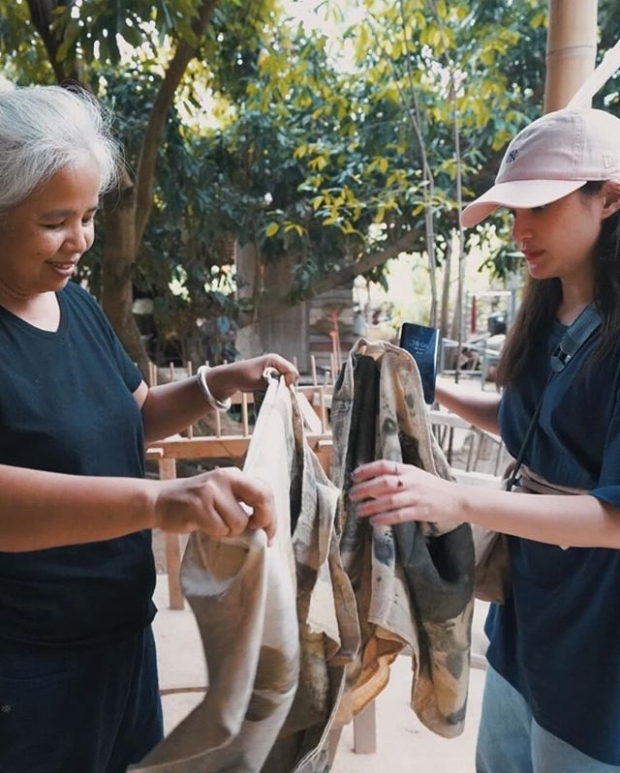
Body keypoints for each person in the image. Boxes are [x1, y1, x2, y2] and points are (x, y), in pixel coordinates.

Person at [0, 83, 298, 773]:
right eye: (54, 222)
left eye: (88, 216)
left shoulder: (71, 305)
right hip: (27, 668)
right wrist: (163, 503)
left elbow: (130, 418)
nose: (79, 241)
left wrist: (217, 382)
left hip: (122, 641)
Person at [349, 106, 620, 773]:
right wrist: (425, 390)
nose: (521, 231)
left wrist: (458, 500)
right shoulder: (550, 306)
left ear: (610, 197)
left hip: (599, 631)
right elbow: (535, 423)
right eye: (512, 213)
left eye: (540, 208)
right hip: (527, 612)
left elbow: (614, 517)